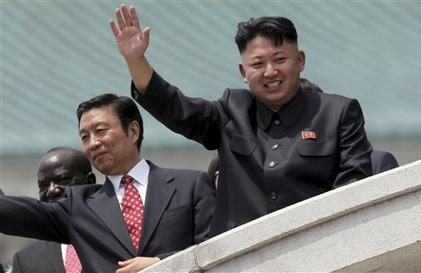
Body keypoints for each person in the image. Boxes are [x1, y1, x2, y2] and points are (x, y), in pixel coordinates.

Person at [110, 4, 373, 236]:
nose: (270, 72)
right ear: (243, 72)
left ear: (300, 60)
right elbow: (177, 109)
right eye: (258, 64)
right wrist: (136, 60)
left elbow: (354, 188)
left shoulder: (338, 112)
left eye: (280, 60)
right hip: (241, 258)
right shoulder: (231, 111)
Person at [0, 94, 215, 273]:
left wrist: (163, 264)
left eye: (100, 131)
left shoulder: (190, 185)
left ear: (133, 131)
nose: (93, 143)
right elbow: (15, 212)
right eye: (85, 137)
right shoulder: (79, 207)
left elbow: (217, 251)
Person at [12, 147, 96, 273]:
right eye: (43, 186)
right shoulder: (25, 260)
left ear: (90, 182)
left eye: (62, 180)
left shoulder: (120, 236)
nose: (51, 190)